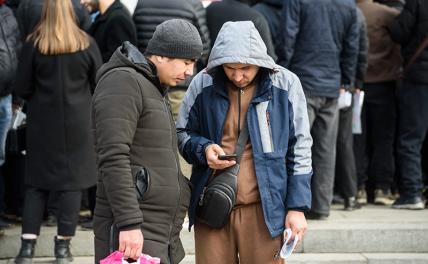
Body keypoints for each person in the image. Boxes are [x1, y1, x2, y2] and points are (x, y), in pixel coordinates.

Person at [177, 21, 312, 264]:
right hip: (212, 207)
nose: (238, 76)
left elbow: (300, 149)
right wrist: (203, 149)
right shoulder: (202, 83)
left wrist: (297, 207)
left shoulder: (287, 84)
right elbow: (182, 133)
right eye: (230, 68)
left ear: (260, 62)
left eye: (246, 68)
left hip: (266, 211)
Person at [92, 19, 202, 263]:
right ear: (161, 55)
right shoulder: (123, 81)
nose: (189, 72)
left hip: (156, 230)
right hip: (134, 230)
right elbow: (113, 157)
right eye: (186, 62)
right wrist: (129, 223)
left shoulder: (151, 86)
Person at [13, 0, 102, 263]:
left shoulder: (33, 43)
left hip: (42, 124)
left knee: (36, 185)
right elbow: (98, 82)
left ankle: (27, 248)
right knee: (72, 186)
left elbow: (22, 87)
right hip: (79, 125)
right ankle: (62, 247)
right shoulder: (86, 43)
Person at [277, 0, 359, 220]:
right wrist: (347, 80)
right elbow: (352, 46)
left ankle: (288, 203)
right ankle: (321, 205)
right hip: (331, 85)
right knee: (325, 149)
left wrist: (281, 71)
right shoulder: (348, 6)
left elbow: (287, 37)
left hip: (301, 81)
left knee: (292, 145)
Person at [355, 0, 402, 205]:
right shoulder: (387, 13)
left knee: (358, 138)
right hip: (384, 82)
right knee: (383, 139)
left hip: (356, 84)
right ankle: (382, 188)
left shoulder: (350, 11)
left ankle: (359, 187)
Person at [389, 0, 428, 210]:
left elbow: (399, 32)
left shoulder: (418, 3)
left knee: (411, 138)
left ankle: (412, 193)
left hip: (420, 79)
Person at [335, 5, 368, 210]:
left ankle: (323, 194)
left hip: (318, 81)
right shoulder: (354, 12)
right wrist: (355, 82)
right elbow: (359, 50)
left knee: (317, 141)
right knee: (344, 140)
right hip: (343, 86)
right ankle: (350, 195)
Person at [0, 0, 20, 233]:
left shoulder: (8, 14)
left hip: (5, 96)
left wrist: (17, 97)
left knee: (2, 156)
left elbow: (16, 52)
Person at [205, 0, 277, 60]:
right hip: (245, 72)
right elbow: (269, 58)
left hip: (211, 69)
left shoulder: (210, 9)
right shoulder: (256, 18)